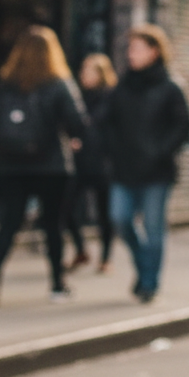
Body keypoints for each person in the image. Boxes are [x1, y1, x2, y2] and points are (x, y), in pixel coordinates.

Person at [0, 26, 86, 307]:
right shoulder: (59, 83)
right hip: (51, 166)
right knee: (53, 226)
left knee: (8, 224)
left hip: (11, 165)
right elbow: (78, 123)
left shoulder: (4, 83)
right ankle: (56, 285)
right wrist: (76, 140)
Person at [103, 24, 189, 302]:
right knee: (120, 219)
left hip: (156, 172)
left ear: (154, 52)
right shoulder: (122, 86)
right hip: (124, 170)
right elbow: (107, 122)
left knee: (154, 229)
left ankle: (149, 283)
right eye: (130, 48)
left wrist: (160, 151)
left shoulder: (170, 87)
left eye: (137, 48)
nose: (131, 54)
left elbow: (183, 126)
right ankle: (144, 268)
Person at [64, 53, 117, 274]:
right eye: (83, 70)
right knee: (66, 208)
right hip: (79, 163)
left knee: (104, 213)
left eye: (89, 70)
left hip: (104, 162)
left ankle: (105, 258)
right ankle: (80, 250)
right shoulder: (76, 96)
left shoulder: (111, 98)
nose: (84, 74)